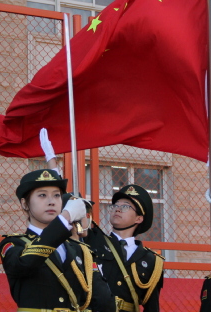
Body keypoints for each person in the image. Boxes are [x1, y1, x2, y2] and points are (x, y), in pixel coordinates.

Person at [39, 128, 164, 312]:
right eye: (116, 205)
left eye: (126, 206)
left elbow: (152, 307)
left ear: (139, 218)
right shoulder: (95, 239)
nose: (118, 208)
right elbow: (71, 203)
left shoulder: (152, 261)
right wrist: (53, 164)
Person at [0, 168, 116, 311]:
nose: (51, 202)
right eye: (42, 195)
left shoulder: (79, 249)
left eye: (56, 195)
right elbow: (25, 264)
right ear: (25, 204)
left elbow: (103, 300)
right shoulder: (14, 243)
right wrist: (65, 218)